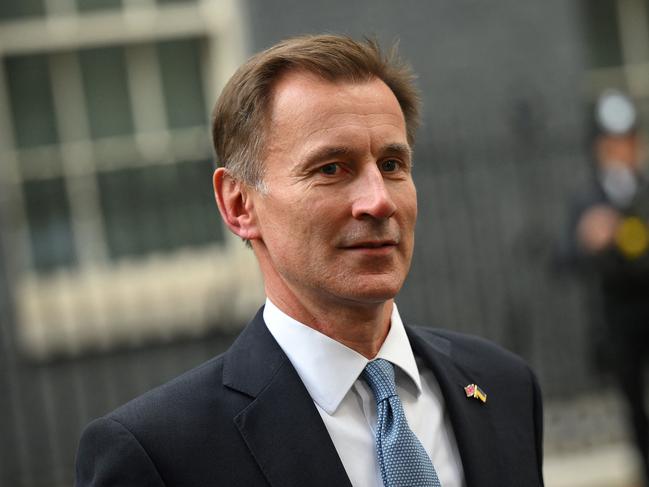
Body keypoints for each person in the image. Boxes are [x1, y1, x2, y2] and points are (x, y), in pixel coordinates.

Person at [75, 34, 544, 487]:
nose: (378, 202)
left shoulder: (503, 386)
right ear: (239, 205)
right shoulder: (159, 453)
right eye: (331, 169)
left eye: (391, 165)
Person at [561, 90, 649, 485]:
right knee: (634, 402)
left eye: (628, 141)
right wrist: (587, 239)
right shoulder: (587, 199)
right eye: (612, 143)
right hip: (620, 319)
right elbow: (565, 259)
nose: (621, 151)